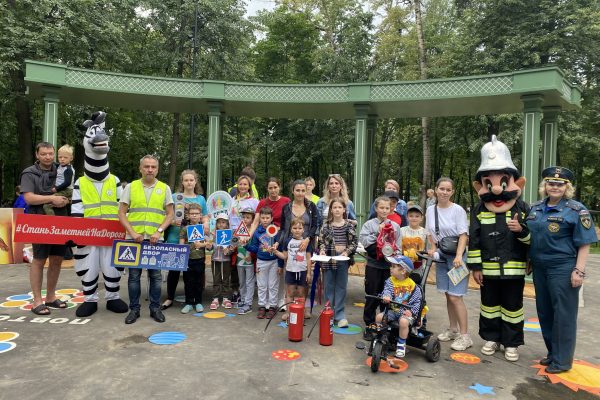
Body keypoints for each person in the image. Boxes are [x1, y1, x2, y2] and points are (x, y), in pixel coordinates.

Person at [526, 166, 597, 374]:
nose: (555, 187)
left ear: (567, 187)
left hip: (563, 267)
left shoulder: (576, 210)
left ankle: (562, 361)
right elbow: (533, 237)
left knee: (563, 315)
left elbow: (585, 243)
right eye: (551, 183)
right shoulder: (536, 208)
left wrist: (579, 270)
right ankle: (552, 354)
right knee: (545, 313)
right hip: (540, 267)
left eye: (559, 184)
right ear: (545, 186)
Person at [467, 135, 530, 362]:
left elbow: (533, 238)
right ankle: (491, 338)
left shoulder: (523, 208)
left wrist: (521, 230)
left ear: (514, 180)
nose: (496, 190)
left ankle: (511, 342)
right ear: (480, 185)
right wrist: (475, 266)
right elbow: (474, 239)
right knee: (489, 305)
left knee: (513, 307)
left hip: (514, 271)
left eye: (503, 182)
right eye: (489, 183)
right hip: (489, 271)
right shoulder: (479, 210)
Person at [118, 155, 174, 324]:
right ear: (140, 168)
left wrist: (159, 231)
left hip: (155, 240)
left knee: (156, 276)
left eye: (153, 167)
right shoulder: (131, 187)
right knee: (134, 276)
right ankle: (134, 310)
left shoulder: (164, 188)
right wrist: (132, 233)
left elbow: (170, 214)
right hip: (134, 239)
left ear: (157, 169)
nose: (150, 170)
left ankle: (155, 309)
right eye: (147, 166)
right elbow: (121, 213)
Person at [20, 142, 70, 315]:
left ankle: (50, 297)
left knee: (57, 259)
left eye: (50, 153)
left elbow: (70, 189)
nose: (48, 157)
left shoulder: (61, 170)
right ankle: (37, 301)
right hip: (40, 222)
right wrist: (51, 199)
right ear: (37, 155)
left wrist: (66, 199)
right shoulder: (29, 173)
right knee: (39, 259)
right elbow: (29, 198)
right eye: (44, 154)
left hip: (61, 221)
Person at [425, 177, 471, 351]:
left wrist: (459, 255)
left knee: (456, 296)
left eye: (448, 189)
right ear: (436, 189)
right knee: (447, 294)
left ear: (452, 192)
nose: (444, 192)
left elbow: (463, 235)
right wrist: (433, 247)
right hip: (442, 255)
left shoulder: (457, 210)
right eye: (441, 188)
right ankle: (453, 329)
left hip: (456, 258)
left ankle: (465, 335)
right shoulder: (431, 210)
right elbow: (431, 232)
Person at [161, 170, 208, 310]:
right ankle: (170, 298)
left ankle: (196, 299)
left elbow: (205, 216)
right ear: (182, 182)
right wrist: (172, 221)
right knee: (173, 270)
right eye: (186, 180)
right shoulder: (175, 197)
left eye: (191, 180)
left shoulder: (200, 199)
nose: (189, 182)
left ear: (195, 182)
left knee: (195, 271)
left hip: (194, 242)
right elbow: (167, 215)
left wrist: (205, 224)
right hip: (175, 237)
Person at [359, 196, 402, 339]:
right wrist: (379, 232)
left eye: (387, 208)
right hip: (373, 265)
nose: (384, 210)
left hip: (389, 267)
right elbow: (363, 241)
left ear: (391, 209)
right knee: (372, 295)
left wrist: (396, 261)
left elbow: (399, 247)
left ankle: (385, 325)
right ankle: (370, 326)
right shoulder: (369, 224)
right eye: (381, 207)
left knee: (387, 297)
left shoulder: (395, 227)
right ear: (376, 208)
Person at [277, 180, 319, 310]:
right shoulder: (287, 207)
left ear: (306, 191)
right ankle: (290, 311)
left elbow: (315, 226)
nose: (300, 193)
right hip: (290, 246)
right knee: (289, 280)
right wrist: (279, 242)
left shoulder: (312, 207)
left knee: (304, 281)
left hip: (307, 247)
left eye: (303, 190)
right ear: (293, 191)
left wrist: (307, 239)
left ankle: (302, 310)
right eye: (297, 190)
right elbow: (283, 229)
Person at [318, 199, 358, 328]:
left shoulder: (349, 225)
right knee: (328, 286)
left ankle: (340, 315)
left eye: (339, 207)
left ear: (344, 210)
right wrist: (322, 250)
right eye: (334, 207)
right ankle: (328, 312)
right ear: (331, 210)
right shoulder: (326, 225)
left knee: (341, 287)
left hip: (343, 260)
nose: (337, 209)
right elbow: (321, 241)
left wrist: (347, 252)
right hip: (329, 259)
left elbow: (354, 243)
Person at [376, 254, 422, 358]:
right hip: (393, 310)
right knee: (379, 317)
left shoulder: (412, 286)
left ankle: (401, 344)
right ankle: (380, 338)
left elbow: (418, 302)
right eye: (391, 266)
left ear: (403, 271)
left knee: (403, 321)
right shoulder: (390, 281)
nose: (390, 268)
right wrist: (386, 296)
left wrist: (412, 312)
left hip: (406, 312)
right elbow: (387, 290)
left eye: (393, 266)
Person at [273, 217, 313, 320]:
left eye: (300, 228)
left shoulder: (306, 242)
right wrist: (276, 252)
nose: (297, 230)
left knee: (301, 294)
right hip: (290, 271)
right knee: (289, 293)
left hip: (302, 271)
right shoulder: (287, 242)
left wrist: (309, 273)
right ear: (291, 229)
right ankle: (288, 312)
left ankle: (300, 312)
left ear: (303, 230)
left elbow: (308, 259)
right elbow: (285, 256)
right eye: (295, 228)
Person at [246, 207, 280, 319]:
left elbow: (280, 247)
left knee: (273, 285)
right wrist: (245, 245)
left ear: (271, 218)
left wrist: (280, 264)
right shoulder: (257, 232)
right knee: (261, 285)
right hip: (261, 261)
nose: (265, 220)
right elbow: (255, 248)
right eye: (263, 218)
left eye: (267, 218)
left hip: (274, 261)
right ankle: (262, 306)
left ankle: (272, 307)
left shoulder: (276, 231)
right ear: (259, 218)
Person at [179, 203, 207, 314]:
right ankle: (189, 303)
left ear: (200, 215)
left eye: (197, 214)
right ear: (188, 215)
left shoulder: (203, 229)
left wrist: (202, 244)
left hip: (200, 258)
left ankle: (198, 302)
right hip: (188, 259)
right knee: (188, 282)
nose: (194, 216)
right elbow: (181, 245)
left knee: (199, 281)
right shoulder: (185, 229)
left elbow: (209, 243)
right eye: (192, 214)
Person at [206, 213, 234, 310]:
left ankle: (226, 298)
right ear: (216, 224)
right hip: (215, 260)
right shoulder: (213, 234)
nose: (221, 225)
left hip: (226, 260)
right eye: (219, 223)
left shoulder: (230, 235)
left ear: (227, 224)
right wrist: (209, 245)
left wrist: (229, 250)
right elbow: (210, 246)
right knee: (216, 279)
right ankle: (215, 298)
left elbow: (232, 248)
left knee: (225, 279)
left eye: (223, 222)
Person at [235, 208, 257, 315]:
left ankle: (248, 303)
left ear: (253, 219)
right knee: (242, 282)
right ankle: (243, 299)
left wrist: (252, 256)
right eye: (243, 217)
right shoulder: (239, 230)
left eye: (248, 217)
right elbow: (234, 243)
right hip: (239, 261)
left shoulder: (253, 232)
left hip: (249, 261)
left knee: (249, 282)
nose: (245, 219)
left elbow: (255, 246)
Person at [44, 144, 75, 216]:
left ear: (71, 158)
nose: (62, 159)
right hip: (62, 189)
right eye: (60, 157)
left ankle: (52, 220)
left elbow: (67, 182)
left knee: (46, 205)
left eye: (65, 157)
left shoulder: (68, 169)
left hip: (66, 190)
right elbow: (55, 164)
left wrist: (56, 189)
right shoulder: (61, 166)